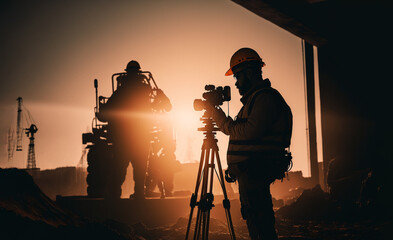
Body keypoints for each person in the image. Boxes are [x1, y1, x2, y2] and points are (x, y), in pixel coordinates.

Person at [209, 48, 293, 240]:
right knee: (255, 219)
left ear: (249, 72)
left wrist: (222, 121)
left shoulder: (265, 98)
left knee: (260, 222)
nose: (236, 83)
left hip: (255, 170)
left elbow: (250, 132)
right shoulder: (254, 100)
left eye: (238, 76)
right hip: (250, 171)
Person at [98, 60, 171, 200]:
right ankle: (139, 197)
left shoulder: (120, 93)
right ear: (139, 73)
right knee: (140, 169)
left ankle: (114, 200)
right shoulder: (147, 91)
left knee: (119, 170)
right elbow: (167, 107)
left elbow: (103, 115)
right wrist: (161, 96)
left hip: (123, 139)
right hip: (141, 137)